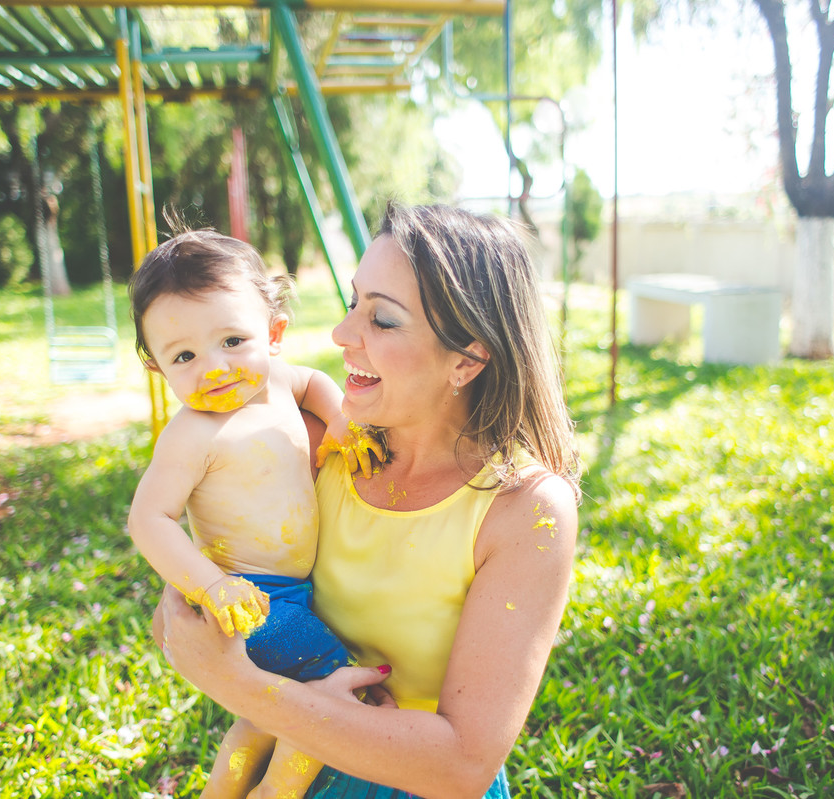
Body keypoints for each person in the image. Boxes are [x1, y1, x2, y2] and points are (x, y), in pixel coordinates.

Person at [153, 203, 581, 798]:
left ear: (467, 359)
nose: (341, 334)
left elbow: (462, 766)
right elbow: (180, 615)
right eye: (353, 302)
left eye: (382, 320)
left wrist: (243, 689)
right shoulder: (317, 440)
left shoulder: (525, 510)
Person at [127, 228, 379, 799]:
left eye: (233, 341)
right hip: (247, 596)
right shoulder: (192, 433)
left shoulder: (277, 385)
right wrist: (213, 586)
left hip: (286, 590)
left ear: (275, 333)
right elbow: (149, 519)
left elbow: (315, 382)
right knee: (331, 691)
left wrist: (340, 419)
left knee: (264, 714)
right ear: (157, 369)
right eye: (185, 356)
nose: (214, 369)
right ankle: (277, 793)